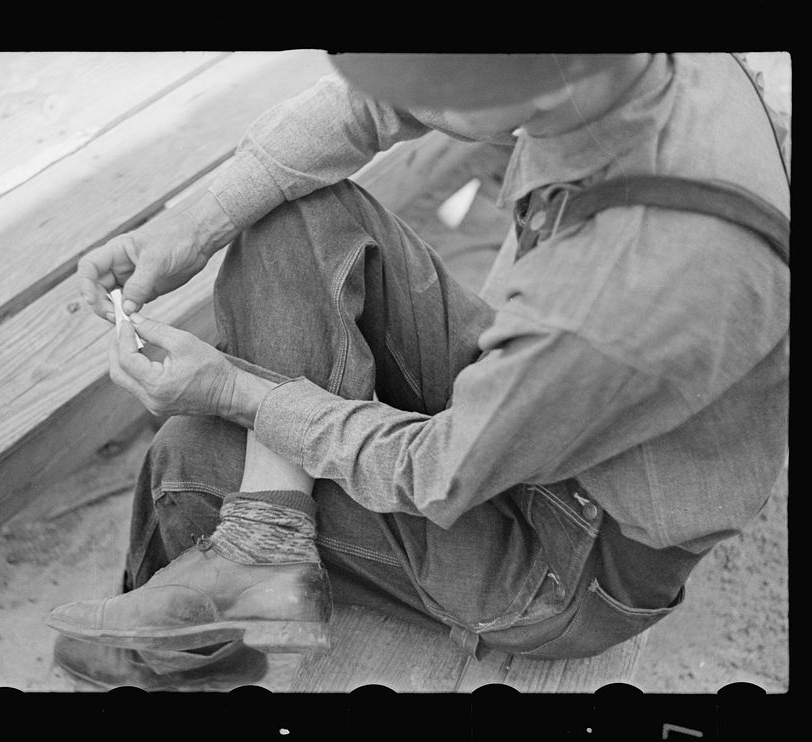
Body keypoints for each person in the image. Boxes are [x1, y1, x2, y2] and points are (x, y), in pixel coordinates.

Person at [44, 53, 790, 691]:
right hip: (549, 408)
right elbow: (368, 104)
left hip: (575, 554)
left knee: (192, 458)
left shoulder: (625, 285)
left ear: (532, 92)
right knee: (293, 214)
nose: (405, 107)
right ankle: (263, 548)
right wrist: (189, 230)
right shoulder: (614, 64)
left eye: (436, 95)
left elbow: (440, 471)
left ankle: (181, 659)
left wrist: (237, 393)